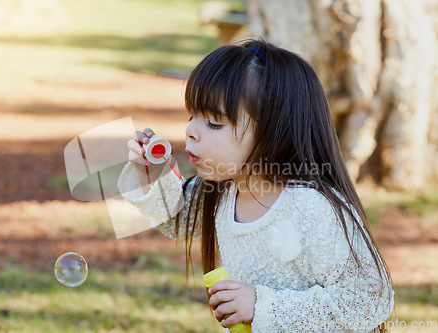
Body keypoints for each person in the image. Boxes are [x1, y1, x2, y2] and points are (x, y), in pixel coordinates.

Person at [118, 39, 394, 332]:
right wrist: (148, 172)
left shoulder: (309, 208)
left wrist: (262, 306)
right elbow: (178, 221)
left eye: (214, 122)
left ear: (272, 130)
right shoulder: (222, 189)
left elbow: (370, 299)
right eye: (192, 116)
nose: (191, 131)